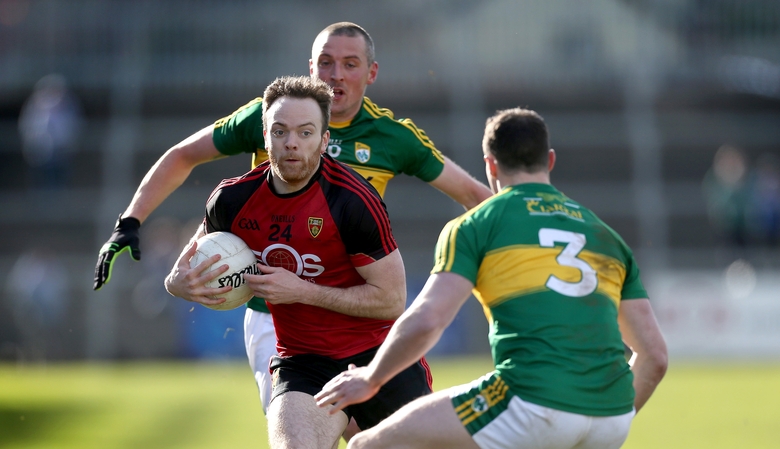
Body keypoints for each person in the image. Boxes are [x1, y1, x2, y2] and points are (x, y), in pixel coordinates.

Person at [93, 21, 492, 418]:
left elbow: (475, 196)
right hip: (277, 320)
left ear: (371, 73)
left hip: (355, 316)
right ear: (310, 67)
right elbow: (183, 155)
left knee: (374, 437)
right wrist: (130, 221)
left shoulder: (392, 136)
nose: (336, 74)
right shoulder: (269, 116)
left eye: (350, 64)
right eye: (326, 62)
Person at [315, 108, 669, 449]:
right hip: (612, 416)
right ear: (549, 161)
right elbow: (654, 355)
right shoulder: (605, 236)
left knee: (368, 443)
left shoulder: (479, 224)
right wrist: (605, 417)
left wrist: (371, 377)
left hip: (532, 402)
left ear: (490, 165)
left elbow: (429, 320)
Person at [165, 75, 433, 449]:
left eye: (305, 133)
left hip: (379, 359)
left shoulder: (353, 201)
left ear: (324, 140)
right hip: (304, 363)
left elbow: (391, 299)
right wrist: (177, 284)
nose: (291, 143)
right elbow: (185, 267)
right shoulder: (231, 199)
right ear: (264, 135)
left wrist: (303, 291)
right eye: (280, 131)